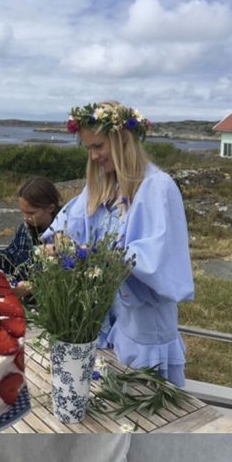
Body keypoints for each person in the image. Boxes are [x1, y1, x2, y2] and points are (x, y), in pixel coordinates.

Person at [49, 100, 194, 386]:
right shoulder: (103, 183)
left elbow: (156, 257)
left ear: (122, 140)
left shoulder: (158, 187)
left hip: (143, 322)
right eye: (88, 148)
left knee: (144, 404)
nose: (93, 157)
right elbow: (69, 223)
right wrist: (58, 241)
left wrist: (94, 254)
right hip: (104, 314)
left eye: (98, 146)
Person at [0, 176, 62, 302]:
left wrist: (32, 287)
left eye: (30, 213)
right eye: (23, 212)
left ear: (50, 208)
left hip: (49, 309)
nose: (25, 218)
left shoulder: (66, 234)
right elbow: (13, 256)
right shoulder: (26, 228)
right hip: (18, 300)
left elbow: (68, 281)